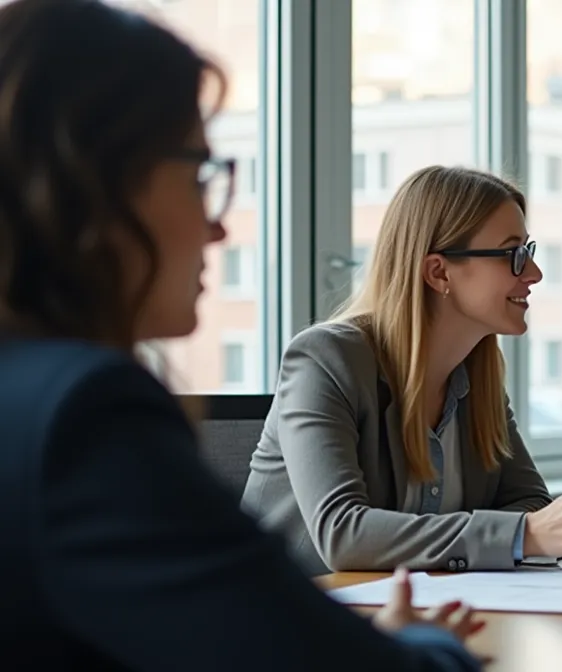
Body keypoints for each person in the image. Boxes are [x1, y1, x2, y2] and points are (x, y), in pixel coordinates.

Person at [0, 0, 482, 669]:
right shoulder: (84, 415)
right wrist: (423, 646)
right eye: (200, 174)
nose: (218, 227)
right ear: (97, 179)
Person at [242, 165, 562, 576]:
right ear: (438, 272)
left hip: (409, 615)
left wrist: (524, 529)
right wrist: (519, 534)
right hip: (289, 621)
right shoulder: (325, 360)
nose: (534, 274)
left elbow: (530, 502)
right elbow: (343, 534)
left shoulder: (478, 378)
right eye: (514, 255)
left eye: (529, 254)